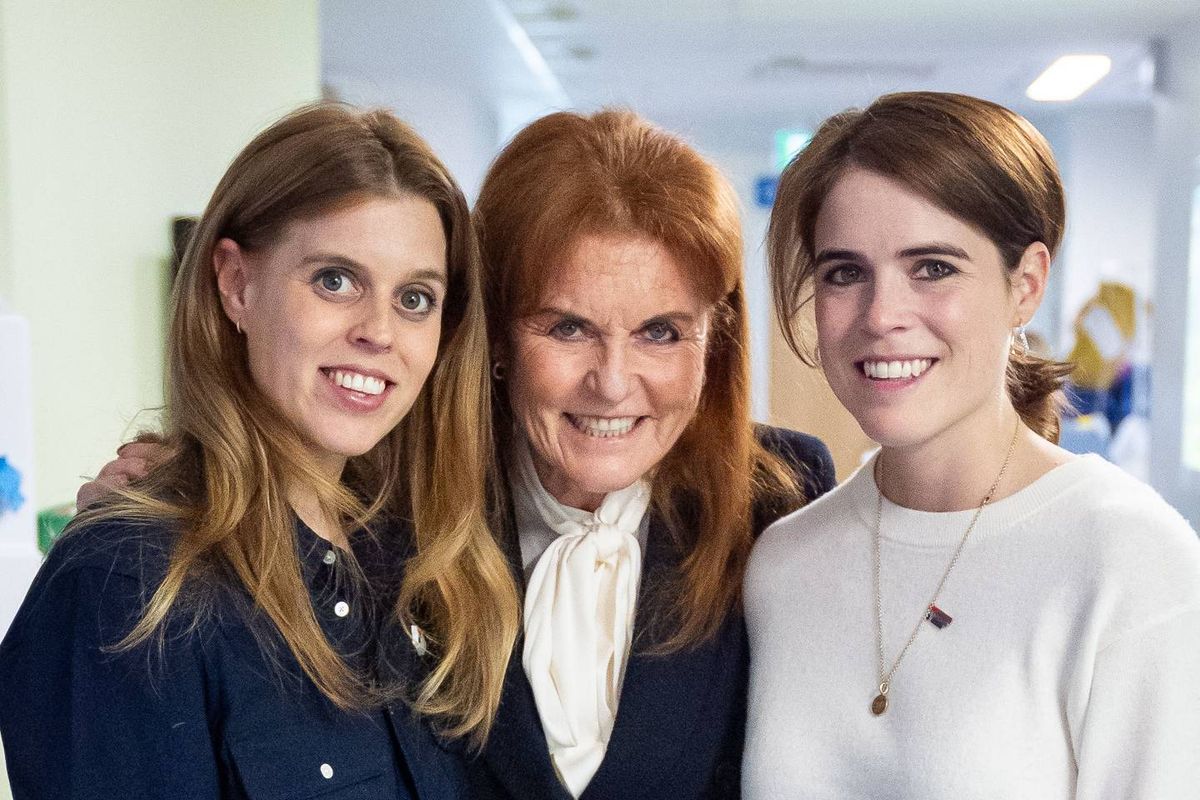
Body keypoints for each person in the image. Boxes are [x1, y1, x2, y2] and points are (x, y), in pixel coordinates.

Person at [0, 103, 519, 799]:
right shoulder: (126, 582)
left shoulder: (419, 565)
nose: (379, 331)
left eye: (416, 299)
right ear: (236, 284)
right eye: (335, 280)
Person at [743, 91, 1200, 798]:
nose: (881, 316)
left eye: (932, 268)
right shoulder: (782, 563)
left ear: (1027, 285)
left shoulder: (1129, 561)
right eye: (845, 273)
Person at [466, 108, 835, 800]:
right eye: (568, 328)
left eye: (660, 332)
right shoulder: (407, 514)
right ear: (496, 335)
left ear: (714, 341)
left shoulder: (782, 500)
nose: (612, 383)